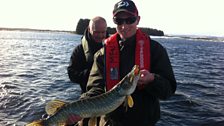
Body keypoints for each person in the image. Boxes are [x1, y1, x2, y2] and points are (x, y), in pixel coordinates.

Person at [81, 0, 177, 126]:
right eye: (119, 21)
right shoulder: (102, 54)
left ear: (138, 19)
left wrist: (153, 80)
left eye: (130, 19)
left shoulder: (155, 50)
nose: (124, 26)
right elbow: (95, 88)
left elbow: (168, 90)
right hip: (110, 122)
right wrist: (80, 106)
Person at [67, 16, 108, 126]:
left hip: (109, 99)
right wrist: (91, 73)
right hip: (88, 99)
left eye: (103, 32)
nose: (100, 35)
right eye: (96, 32)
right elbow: (71, 74)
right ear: (89, 29)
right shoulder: (80, 50)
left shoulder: (113, 47)